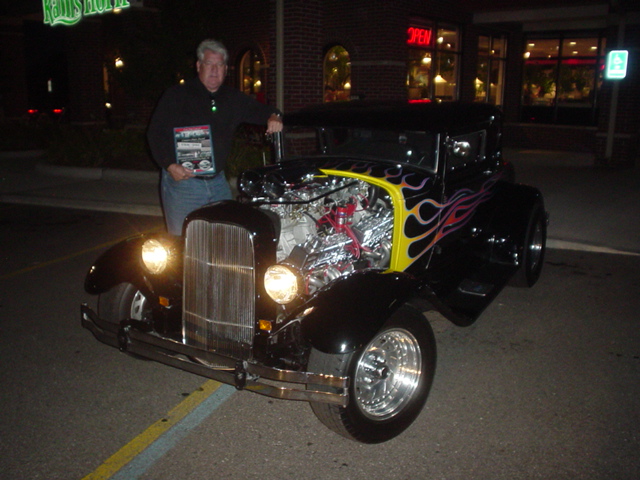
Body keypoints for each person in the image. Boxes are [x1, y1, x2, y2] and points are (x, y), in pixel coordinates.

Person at [147, 39, 283, 235]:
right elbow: (155, 133)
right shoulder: (177, 95)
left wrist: (274, 116)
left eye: (219, 65)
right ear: (198, 66)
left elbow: (263, 111)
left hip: (218, 183)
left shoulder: (232, 98)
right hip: (184, 184)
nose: (214, 70)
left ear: (226, 69)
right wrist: (169, 164)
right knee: (183, 243)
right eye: (209, 64)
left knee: (224, 239)